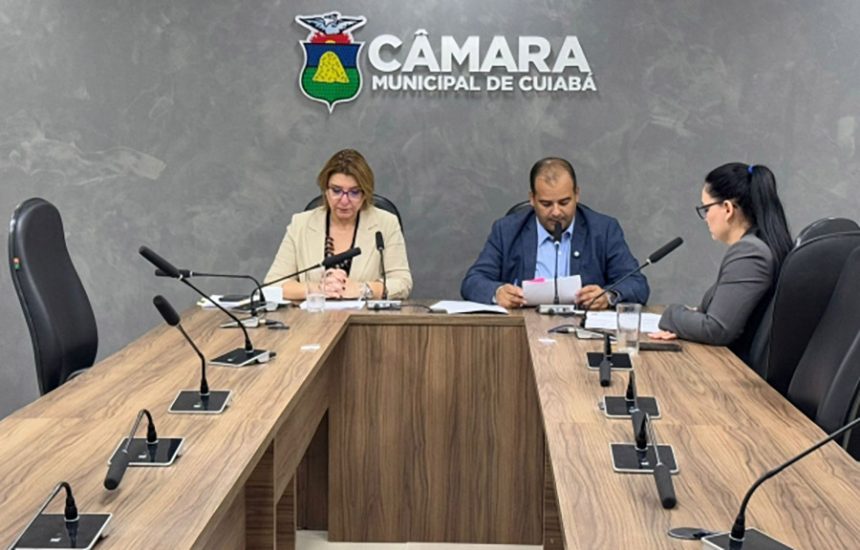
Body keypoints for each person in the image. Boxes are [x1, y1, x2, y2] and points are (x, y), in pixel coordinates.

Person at [460, 157, 649, 309]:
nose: (556, 212)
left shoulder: (604, 229)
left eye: (564, 202)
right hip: (522, 328)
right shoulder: (507, 230)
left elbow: (637, 284)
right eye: (546, 204)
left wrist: (608, 296)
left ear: (577, 195)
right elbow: (472, 282)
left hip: (581, 333)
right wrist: (498, 292)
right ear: (532, 199)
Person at [652, 163, 792, 365]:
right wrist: (691, 320)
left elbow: (717, 329)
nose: (705, 218)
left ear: (727, 208)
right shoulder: (760, 245)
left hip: (736, 372)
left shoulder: (750, 253)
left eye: (706, 208)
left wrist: (671, 315)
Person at [265, 149, 412, 300]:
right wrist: (316, 289)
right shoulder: (301, 224)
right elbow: (272, 285)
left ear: (365, 194)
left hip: (365, 314)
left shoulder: (386, 223)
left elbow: (402, 283)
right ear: (326, 191)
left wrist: (363, 290)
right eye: (336, 191)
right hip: (313, 314)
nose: (344, 200)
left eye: (354, 192)